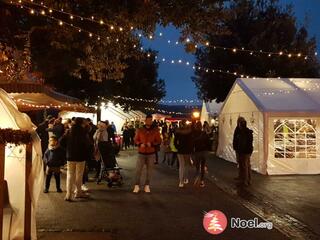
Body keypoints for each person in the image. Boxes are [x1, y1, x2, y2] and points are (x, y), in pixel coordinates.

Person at [61, 117, 91, 201]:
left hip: (70, 156)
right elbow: (88, 145)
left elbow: (61, 142)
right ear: (81, 123)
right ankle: (78, 193)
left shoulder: (69, 131)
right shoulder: (83, 132)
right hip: (81, 156)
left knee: (70, 174)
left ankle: (68, 195)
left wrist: (68, 149)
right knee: (79, 175)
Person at [133, 114, 161, 193]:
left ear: (152, 121)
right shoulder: (140, 130)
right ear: (145, 121)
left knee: (149, 171)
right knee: (138, 170)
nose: (149, 121)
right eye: (148, 120)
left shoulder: (155, 130)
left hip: (151, 153)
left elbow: (159, 141)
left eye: (151, 120)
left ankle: (147, 185)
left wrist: (152, 144)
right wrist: (139, 144)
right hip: (141, 153)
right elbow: (135, 139)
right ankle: (136, 185)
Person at [233, 118, 253, 186]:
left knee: (244, 166)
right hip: (247, 151)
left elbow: (241, 143)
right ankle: (246, 179)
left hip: (243, 151)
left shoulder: (242, 132)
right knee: (246, 165)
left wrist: (239, 149)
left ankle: (245, 180)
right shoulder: (248, 131)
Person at [174, 120, 194, 188]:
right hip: (187, 151)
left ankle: (181, 181)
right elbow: (191, 141)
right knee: (186, 165)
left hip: (180, 150)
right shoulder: (189, 131)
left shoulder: (178, 131)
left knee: (181, 166)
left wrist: (177, 147)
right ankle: (185, 178)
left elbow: (175, 141)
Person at [193, 122, 210, 187]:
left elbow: (193, 142)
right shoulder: (204, 133)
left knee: (197, 166)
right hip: (204, 151)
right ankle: (202, 181)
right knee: (202, 166)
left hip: (197, 151)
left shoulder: (194, 133)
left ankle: (197, 176)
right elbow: (208, 142)